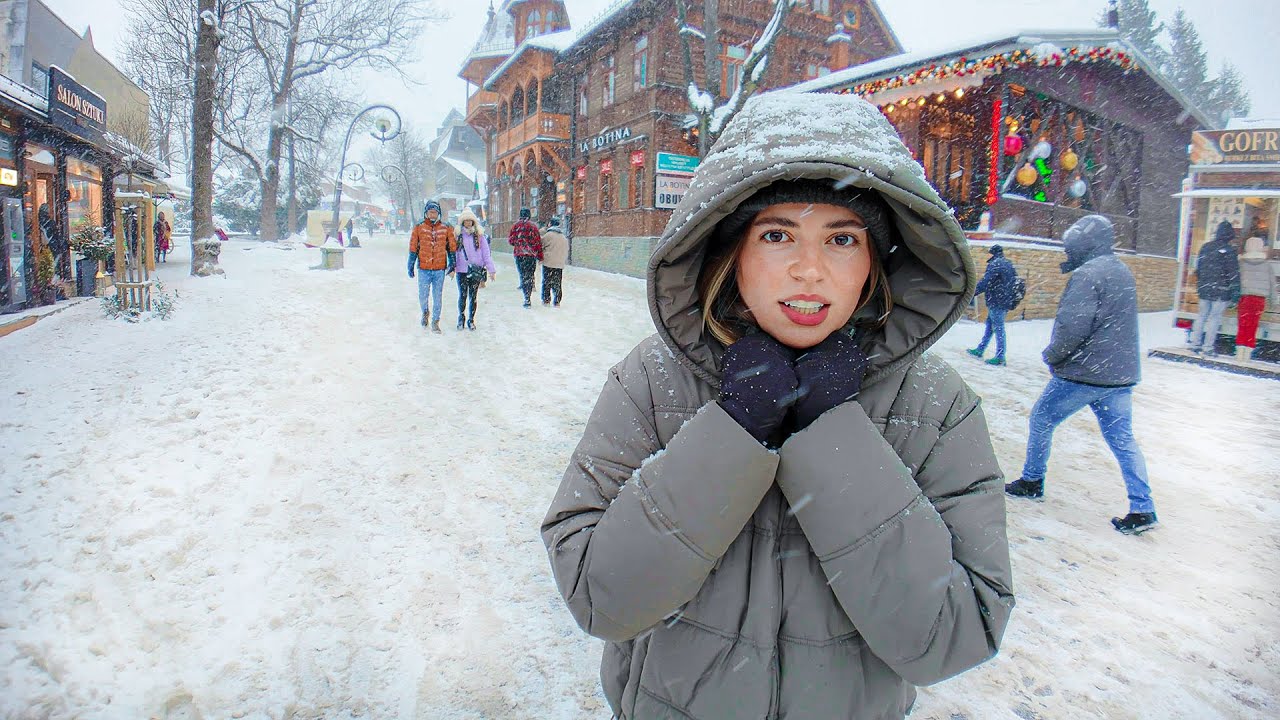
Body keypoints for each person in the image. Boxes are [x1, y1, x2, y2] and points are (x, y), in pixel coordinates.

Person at [540, 91, 1014, 719]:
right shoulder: (652, 383)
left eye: (842, 238)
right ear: (731, 251)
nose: (808, 269)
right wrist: (734, 430)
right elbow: (600, 596)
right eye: (776, 234)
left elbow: (954, 636)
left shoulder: (935, 405)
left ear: (877, 258)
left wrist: (832, 439)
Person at [1005, 215, 1156, 535]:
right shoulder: (1120, 270)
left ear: (1084, 245)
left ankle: (1032, 480)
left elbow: (1073, 327)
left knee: (1042, 418)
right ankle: (1143, 507)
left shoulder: (1087, 274)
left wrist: (1053, 355)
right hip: (1119, 376)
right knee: (1122, 439)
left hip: (1084, 373)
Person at [1189, 221, 1241, 356]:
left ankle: (1195, 343)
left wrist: (1201, 283)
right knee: (1214, 318)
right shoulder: (1229, 251)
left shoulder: (1205, 247)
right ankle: (1208, 347)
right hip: (1221, 290)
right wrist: (1235, 292)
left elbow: (1199, 268)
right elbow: (1233, 273)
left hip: (1205, 288)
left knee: (1201, 316)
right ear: (1230, 235)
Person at [407, 200, 457, 333]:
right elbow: (413, 247)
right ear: (426, 213)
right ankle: (425, 312)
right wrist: (411, 264)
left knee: (437, 296)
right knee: (423, 295)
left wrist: (453, 263)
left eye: (435, 212)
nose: (433, 214)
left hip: (439, 269)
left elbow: (452, 247)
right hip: (424, 268)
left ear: (438, 213)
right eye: (430, 212)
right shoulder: (419, 227)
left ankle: (435, 321)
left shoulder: (446, 228)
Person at [967, 244, 1018, 365]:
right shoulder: (1007, 263)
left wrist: (971, 293)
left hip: (996, 301)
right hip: (1004, 300)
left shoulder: (995, 264)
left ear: (993, 254)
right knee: (990, 326)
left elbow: (986, 282)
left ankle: (1000, 356)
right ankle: (980, 349)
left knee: (999, 328)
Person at [453, 209, 496, 331]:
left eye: (470, 221)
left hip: (475, 270)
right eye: (465, 221)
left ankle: (471, 320)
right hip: (462, 270)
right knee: (462, 295)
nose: (468, 223)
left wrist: (491, 269)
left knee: (473, 296)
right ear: (462, 222)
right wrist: (452, 267)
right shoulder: (458, 236)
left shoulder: (480, 236)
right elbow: (454, 253)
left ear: (473, 222)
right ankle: (461, 318)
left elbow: (486, 254)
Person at [1235, 235, 1275, 361]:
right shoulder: (1267, 264)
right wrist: (1274, 300)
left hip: (1245, 297)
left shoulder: (1241, 263)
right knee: (1253, 325)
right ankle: (1247, 354)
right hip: (1259, 300)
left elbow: (1236, 281)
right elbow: (1272, 283)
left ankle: (1239, 353)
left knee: (1242, 325)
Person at [508, 207, 542, 307]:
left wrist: (519, 244)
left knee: (523, 273)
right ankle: (528, 294)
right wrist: (539, 255)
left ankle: (526, 295)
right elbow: (538, 242)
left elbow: (511, 241)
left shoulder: (515, 226)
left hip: (519, 254)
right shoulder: (533, 227)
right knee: (530, 274)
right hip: (531, 255)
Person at [540, 216, 568, 306]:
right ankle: (557, 301)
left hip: (548, 262)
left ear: (550, 224)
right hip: (559, 263)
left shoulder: (548, 235)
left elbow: (541, 245)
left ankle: (546, 299)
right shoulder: (563, 237)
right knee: (557, 282)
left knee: (546, 282)